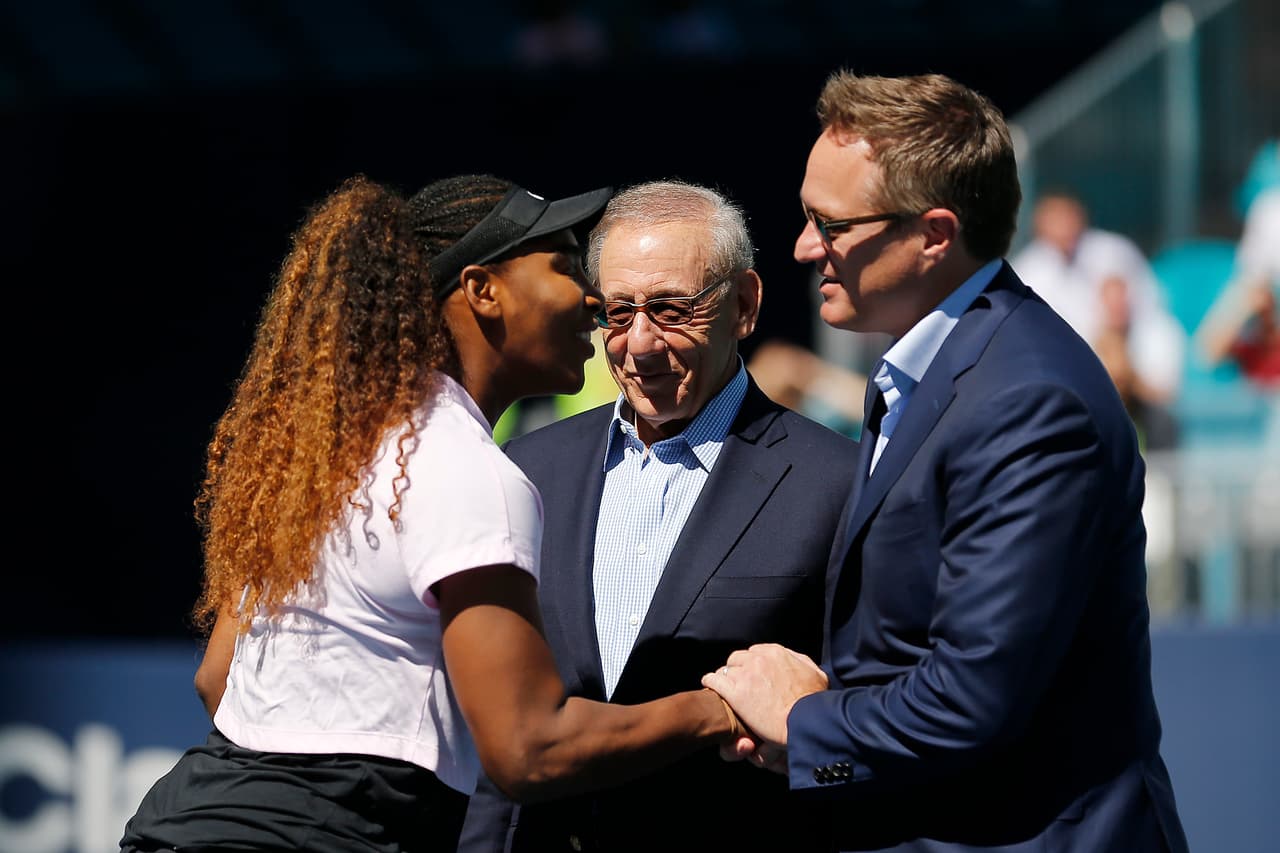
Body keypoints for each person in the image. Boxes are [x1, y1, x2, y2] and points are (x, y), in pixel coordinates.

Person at [118, 174, 753, 853]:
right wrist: (715, 709)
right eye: (566, 267)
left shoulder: (332, 451)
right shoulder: (465, 468)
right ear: (483, 290)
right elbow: (528, 748)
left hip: (186, 819)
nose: (593, 299)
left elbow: (217, 679)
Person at [702, 71, 1190, 852]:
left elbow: (971, 697)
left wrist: (802, 724)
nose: (803, 247)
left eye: (832, 224)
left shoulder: (1028, 400)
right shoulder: (932, 364)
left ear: (934, 234)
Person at [457, 179, 855, 852]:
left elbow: (871, 725)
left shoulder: (838, 483)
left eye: (671, 310)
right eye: (617, 313)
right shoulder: (523, 472)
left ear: (745, 305)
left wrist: (827, 766)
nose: (639, 345)